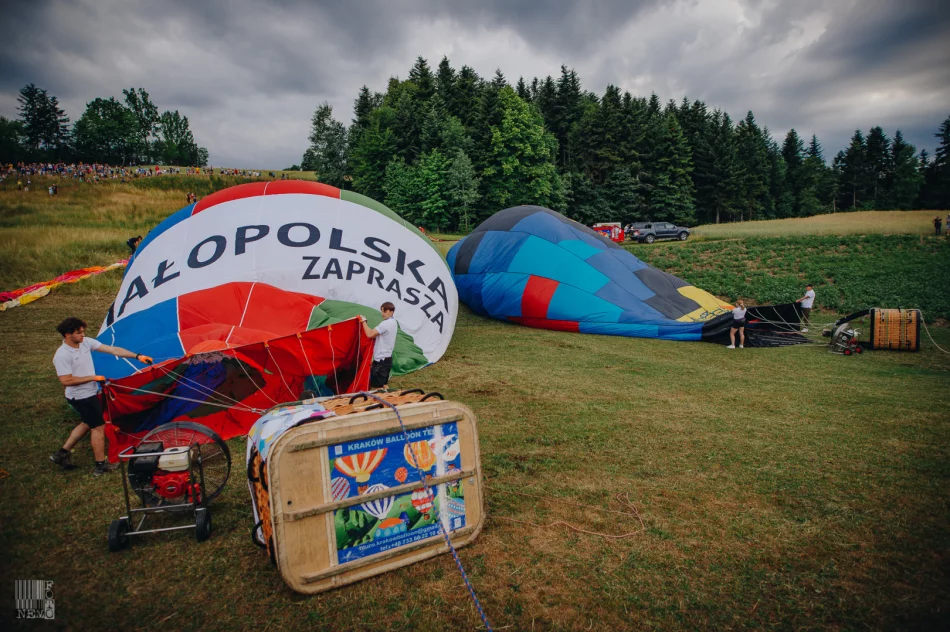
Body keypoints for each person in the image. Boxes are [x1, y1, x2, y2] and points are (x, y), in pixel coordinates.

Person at [50, 317, 153, 475]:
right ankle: (100, 465)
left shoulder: (85, 342)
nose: (83, 335)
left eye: (83, 332)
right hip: (81, 397)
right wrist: (93, 378)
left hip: (90, 392)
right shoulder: (62, 356)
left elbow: (113, 350)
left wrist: (137, 356)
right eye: (79, 333)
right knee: (98, 428)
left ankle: (62, 453)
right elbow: (66, 380)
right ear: (67, 335)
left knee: (87, 422)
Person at [361, 302, 398, 389]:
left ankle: (382, 402)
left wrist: (363, 322)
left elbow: (370, 334)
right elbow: (374, 333)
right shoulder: (394, 322)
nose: (382, 314)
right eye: (382, 311)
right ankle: (391, 400)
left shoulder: (385, 324)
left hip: (380, 361)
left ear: (391, 312)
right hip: (388, 359)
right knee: (384, 385)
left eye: (385, 311)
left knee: (378, 388)